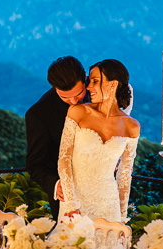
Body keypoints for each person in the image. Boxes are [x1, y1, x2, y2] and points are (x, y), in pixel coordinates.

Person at [57, 58, 140, 222]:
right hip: (74, 206)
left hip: (109, 207)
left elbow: (124, 175)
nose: (88, 87)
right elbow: (64, 158)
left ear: (113, 84)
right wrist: (72, 205)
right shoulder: (78, 112)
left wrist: (122, 217)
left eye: (95, 81)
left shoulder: (132, 126)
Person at [25, 56, 89, 218]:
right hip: (68, 200)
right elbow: (35, 165)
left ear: (85, 80)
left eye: (79, 94)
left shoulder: (99, 94)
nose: (74, 102)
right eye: (65, 97)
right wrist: (56, 184)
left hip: (102, 192)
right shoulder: (38, 115)